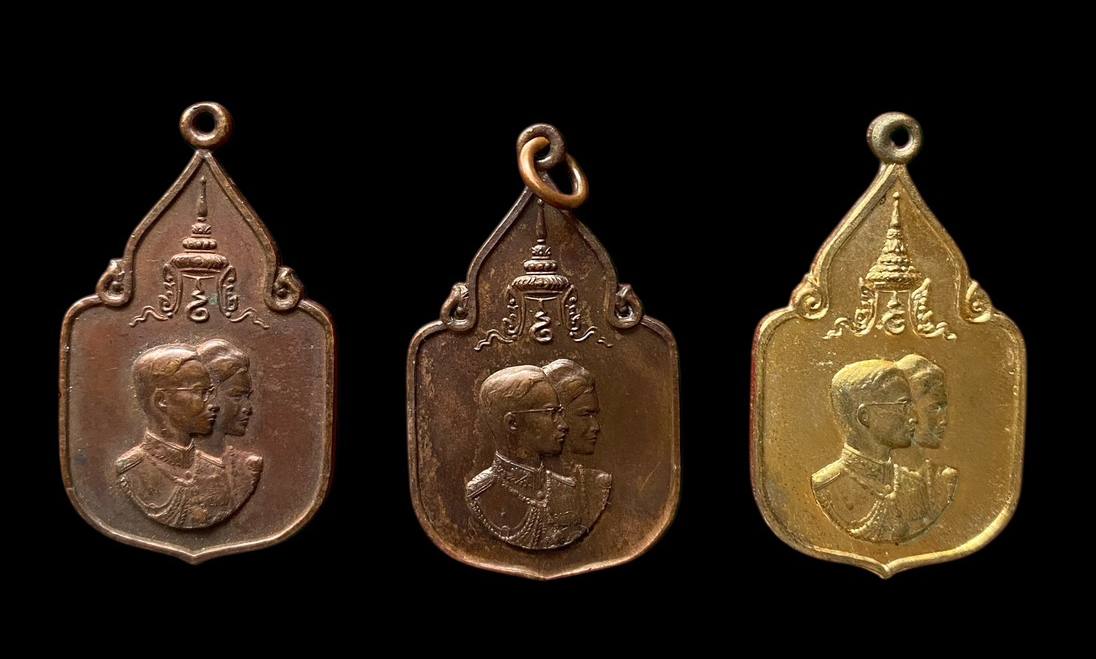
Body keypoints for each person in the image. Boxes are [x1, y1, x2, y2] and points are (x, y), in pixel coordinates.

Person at [811, 359, 930, 544]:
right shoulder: (826, 487)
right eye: (903, 406)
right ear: (865, 416)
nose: (914, 417)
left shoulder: (914, 485)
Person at [116, 344, 234, 529]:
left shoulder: (216, 471)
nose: (214, 404)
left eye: (209, 392)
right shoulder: (130, 471)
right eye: (199, 392)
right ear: (161, 400)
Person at [465, 365, 578, 550]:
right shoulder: (480, 495)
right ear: (512, 423)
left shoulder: (568, 489)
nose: (563, 425)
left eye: (560, 413)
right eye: (550, 413)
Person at [542, 359, 612, 537]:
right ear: (556, 415)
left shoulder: (598, 485)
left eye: (594, 415)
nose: (595, 427)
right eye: (585, 414)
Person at [195, 339, 263, 515]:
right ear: (206, 395)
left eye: (247, 397)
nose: (248, 408)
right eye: (237, 396)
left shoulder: (249, 467)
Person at [896, 353, 958, 531]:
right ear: (906, 410)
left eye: (944, 408)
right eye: (934, 408)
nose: (944, 420)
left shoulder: (945, 479)